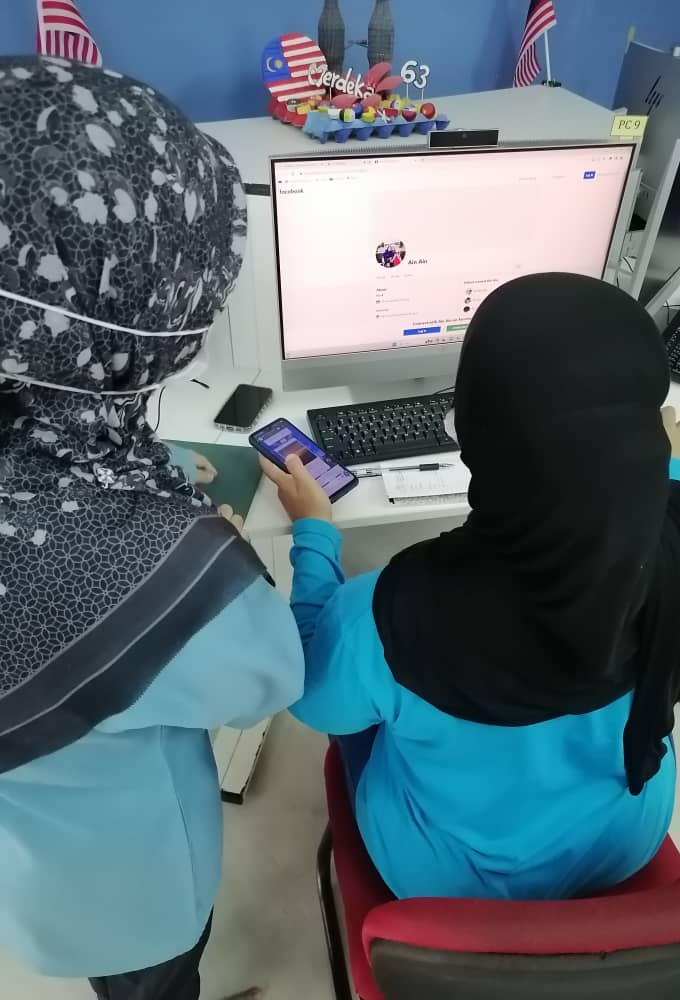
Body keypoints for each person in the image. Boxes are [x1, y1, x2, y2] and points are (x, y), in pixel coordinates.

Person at [262, 272, 680, 901]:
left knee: (359, 702)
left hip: (444, 882)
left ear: (476, 429)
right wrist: (670, 473)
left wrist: (315, 533)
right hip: (622, 842)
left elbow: (309, 697)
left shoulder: (391, 613)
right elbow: (656, 512)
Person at [0, 56, 303, 999]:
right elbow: (267, 680)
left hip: (34, 863)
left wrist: (144, 471)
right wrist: (204, 551)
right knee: (153, 984)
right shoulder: (155, 566)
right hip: (136, 886)